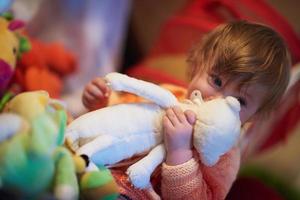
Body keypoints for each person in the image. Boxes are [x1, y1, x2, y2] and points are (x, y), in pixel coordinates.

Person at [81, 20, 291, 199]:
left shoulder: (224, 155)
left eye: (240, 101)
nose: (217, 100)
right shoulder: (170, 95)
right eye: (216, 80)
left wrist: (180, 152)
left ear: (254, 116)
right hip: (94, 163)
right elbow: (123, 115)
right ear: (197, 65)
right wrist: (100, 103)